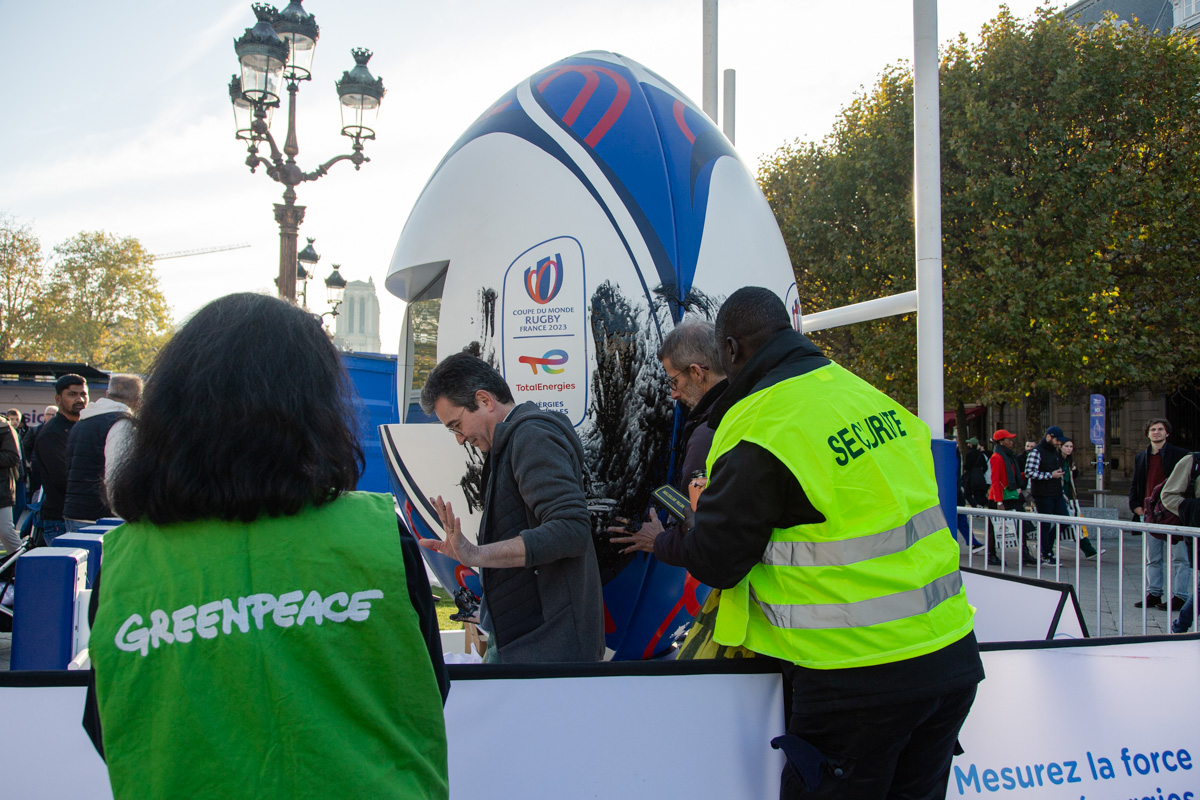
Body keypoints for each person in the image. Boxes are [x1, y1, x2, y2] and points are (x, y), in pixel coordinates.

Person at [88, 293, 449, 800]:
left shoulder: (127, 561)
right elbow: (429, 687)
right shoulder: (379, 537)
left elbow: (107, 719)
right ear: (315, 410)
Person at [680, 287, 983, 798]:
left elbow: (717, 561)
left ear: (729, 351)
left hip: (856, 677)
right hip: (950, 657)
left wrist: (691, 525)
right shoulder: (866, 396)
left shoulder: (760, 425)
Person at [418, 352, 604, 664]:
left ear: (484, 400)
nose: (460, 439)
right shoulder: (512, 441)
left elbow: (571, 530)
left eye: (456, 425)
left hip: (545, 649)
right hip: (528, 642)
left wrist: (477, 555)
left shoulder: (531, 437)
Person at [607, 319, 727, 563]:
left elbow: (703, 538)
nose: (673, 393)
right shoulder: (750, 404)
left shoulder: (707, 436)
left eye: (674, 381)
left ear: (696, 372)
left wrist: (659, 541)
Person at [63, 374, 143, 529]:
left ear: (107, 394)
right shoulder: (121, 423)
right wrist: (123, 514)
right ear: (137, 400)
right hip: (99, 517)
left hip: (74, 511)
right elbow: (116, 476)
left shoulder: (83, 421)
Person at [1128, 418, 1190, 611]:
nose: (1156, 432)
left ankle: (1180, 596)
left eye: (1160, 429)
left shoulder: (1181, 455)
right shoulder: (1142, 456)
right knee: (1152, 557)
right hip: (1150, 513)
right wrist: (1135, 504)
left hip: (1173, 512)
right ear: (1148, 433)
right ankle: (1153, 593)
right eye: (1153, 429)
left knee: (1180, 558)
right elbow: (1136, 481)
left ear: (1167, 433)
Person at [31, 375, 88, 544]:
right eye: (72, 394)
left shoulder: (84, 426)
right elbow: (63, 478)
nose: (80, 399)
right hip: (60, 520)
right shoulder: (52, 433)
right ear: (58, 399)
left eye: (83, 394)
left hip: (81, 515)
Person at [1162, 452, 1200, 633]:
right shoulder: (1193, 461)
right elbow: (1168, 496)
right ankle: (1180, 626)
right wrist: (1195, 510)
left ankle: (1180, 625)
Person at [1024, 426, 1070, 565]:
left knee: (1065, 521)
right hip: (1042, 494)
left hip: (1056, 493)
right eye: (1057, 440)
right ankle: (1046, 553)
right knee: (1045, 524)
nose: (1059, 443)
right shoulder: (1036, 452)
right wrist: (1050, 475)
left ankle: (1046, 546)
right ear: (1049, 437)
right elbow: (1029, 472)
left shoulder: (1054, 452)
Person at [987, 430, 1029, 566]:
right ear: (1001, 442)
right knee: (995, 527)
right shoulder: (997, 457)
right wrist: (999, 501)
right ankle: (991, 554)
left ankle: (1025, 552)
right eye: (1008, 440)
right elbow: (995, 480)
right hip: (1000, 497)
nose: (1011, 442)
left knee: (1022, 523)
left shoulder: (1008, 456)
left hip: (1009, 494)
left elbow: (1011, 475)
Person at [1059, 437, 1102, 559]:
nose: (1069, 449)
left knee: (1075, 523)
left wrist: (1075, 471)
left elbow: (1071, 479)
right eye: (1066, 446)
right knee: (1068, 523)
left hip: (1071, 496)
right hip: (1063, 496)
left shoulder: (1069, 461)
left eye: (1071, 447)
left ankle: (1089, 550)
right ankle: (1044, 547)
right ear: (1060, 447)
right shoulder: (1058, 461)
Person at [0, 415, 21, 556]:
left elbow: (13, 457)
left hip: (2, 490)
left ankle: (26, 565)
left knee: (6, 532)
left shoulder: (3, 427)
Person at [6, 408, 28, 524]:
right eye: (12, 419)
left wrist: (25, 474)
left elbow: (22, 455)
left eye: (17, 419)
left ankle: (11, 526)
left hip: (20, 473)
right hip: (9, 474)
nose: (14, 422)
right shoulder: (4, 435)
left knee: (21, 504)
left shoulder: (19, 434)